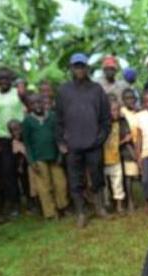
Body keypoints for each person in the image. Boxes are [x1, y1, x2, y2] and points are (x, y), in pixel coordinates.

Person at [55, 52, 111, 228]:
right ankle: (80, 213)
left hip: (93, 143)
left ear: (87, 68)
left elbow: (105, 118)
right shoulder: (63, 90)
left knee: (97, 176)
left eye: (82, 66)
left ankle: (100, 207)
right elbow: (58, 119)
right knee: (75, 180)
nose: (79, 69)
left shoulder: (96, 89)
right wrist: (61, 142)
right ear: (71, 68)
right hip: (72, 145)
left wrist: (100, 138)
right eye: (76, 66)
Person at [21, 93, 69, 219]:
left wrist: (60, 154)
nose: (37, 105)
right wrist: (31, 161)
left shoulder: (52, 117)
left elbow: (59, 137)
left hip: (54, 156)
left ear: (43, 102)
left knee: (60, 183)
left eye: (39, 102)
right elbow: (27, 143)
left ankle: (62, 207)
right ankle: (51, 212)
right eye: (33, 104)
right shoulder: (27, 121)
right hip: (39, 158)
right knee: (44, 187)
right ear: (29, 106)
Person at [0, 67, 25, 216]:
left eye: (7, 79)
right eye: (1, 79)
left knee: (25, 168)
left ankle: (31, 200)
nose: (4, 81)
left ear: (11, 80)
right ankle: (15, 203)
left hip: (20, 135)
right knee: (8, 171)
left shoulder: (17, 92)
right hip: (3, 136)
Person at [103, 100, 129, 214]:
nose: (116, 112)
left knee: (117, 183)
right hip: (103, 159)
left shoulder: (121, 122)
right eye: (113, 110)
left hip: (116, 158)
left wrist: (122, 141)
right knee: (104, 185)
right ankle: (107, 204)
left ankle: (119, 206)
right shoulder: (103, 123)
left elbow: (127, 136)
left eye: (118, 110)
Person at [121, 88, 140, 211]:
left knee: (138, 173)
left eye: (132, 98)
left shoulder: (139, 112)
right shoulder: (122, 113)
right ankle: (130, 201)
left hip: (139, 145)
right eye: (127, 98)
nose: (130, 100)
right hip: (128, 147)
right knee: (128, 175)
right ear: (123, 100)